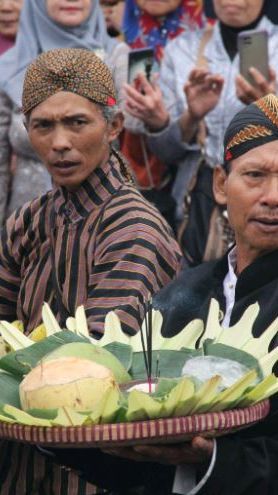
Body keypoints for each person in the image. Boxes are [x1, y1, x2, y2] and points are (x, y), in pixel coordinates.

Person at [47, 93, 278, 495]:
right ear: (221, 185)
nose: (272, 196)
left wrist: (213, 459)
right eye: (255, 175)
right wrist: (66, 427)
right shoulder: (182, 295)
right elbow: (141, 453)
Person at [0, 47, 181, 494]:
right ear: (27, 131)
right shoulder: (28, 221)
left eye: (77, 123)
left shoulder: (134, 227)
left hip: (102, 472)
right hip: (24, 464)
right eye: (44, 125)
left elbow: (95, 367)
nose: (60, 142)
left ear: (113, 126)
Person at [124, 0, 278, 263]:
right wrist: (190, 116)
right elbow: (167, 153)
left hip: (269, 208)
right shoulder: (183, 49)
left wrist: (272, 108)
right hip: (198, 210)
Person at [0, 0, 131, 226]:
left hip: (101, 221)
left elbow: (139, 133)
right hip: (28, 227)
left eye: (78, 121)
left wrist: (155, 118)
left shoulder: (116, 57)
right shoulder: (10, 65)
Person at [120, 0, 204, 228]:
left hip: (195, 184)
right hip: (137, 176)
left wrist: (169, 122)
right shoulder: (120, 37)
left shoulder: (208, 40)